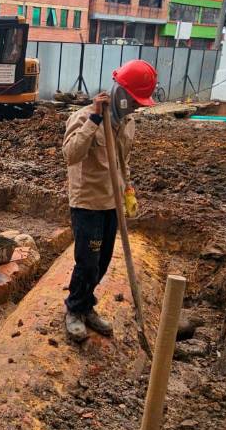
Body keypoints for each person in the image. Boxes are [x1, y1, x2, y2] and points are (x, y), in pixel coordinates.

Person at [61, 59, 156, 342]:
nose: (137, 106)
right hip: (88, 202)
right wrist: (94, 120)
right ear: (120, 92)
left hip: (111, 202)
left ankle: (86, 304)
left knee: (101, 262)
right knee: (87, 261)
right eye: (135, 100)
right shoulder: (83, 118)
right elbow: (71, 156)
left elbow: (122, 161)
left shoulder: (128, 123)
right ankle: (74, 310)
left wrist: (128, 189)